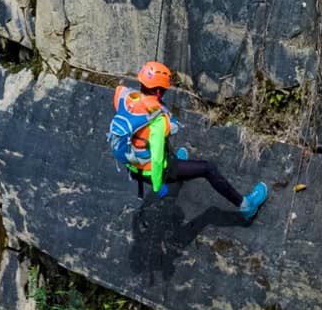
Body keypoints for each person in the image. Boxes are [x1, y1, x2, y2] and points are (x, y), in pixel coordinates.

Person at [109, 62, 268, 219]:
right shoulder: (157, 120)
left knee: (146, 139)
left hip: (133, 167)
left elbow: (120, 91)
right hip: (154, 171)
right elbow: (157, 159)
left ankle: (175, 163)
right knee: (208, 168)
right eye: (163, 90)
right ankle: (246, 206)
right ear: (158, 92)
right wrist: (158, 186)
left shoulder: (123, 96)